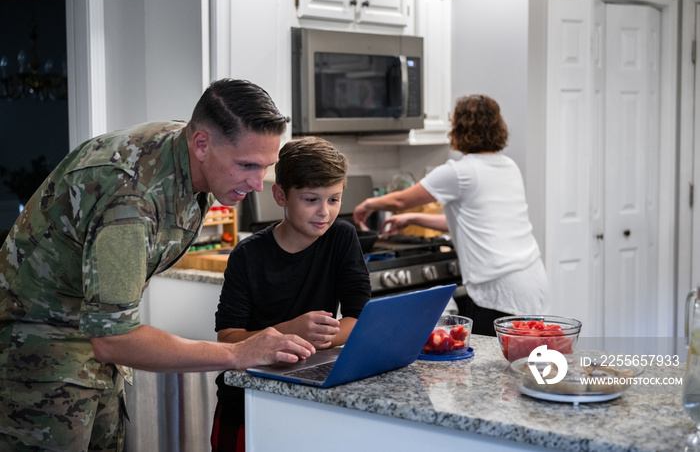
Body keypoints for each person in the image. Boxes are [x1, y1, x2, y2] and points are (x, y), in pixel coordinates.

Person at [0, 79, 316, 451]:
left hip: (91, 335)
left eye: (265, 166)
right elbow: (113, 338)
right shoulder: (131, 201)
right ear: (201, 144)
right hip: (37, 347)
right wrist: (236, 353)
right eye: (246, 165)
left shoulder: (186, 153)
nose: (258, 183)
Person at [211, 136, 371, 451]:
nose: (324, 213)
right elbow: (228, 340)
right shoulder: (248, 255)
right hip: (246, 401)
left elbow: (362, 320)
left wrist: (316, 336)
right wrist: (292, 331)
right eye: (311, 199)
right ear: (280, 195)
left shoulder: (341, 237)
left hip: (308, 396)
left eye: (334, 199)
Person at [353, 94, 549, 336]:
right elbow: (471, 224)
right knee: (524, 358)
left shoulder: (459, 172)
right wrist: (413, 218)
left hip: (498, 290)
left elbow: (401, 199)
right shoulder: (508, 166)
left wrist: (367, 204)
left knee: (495, 363)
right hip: (531, 278)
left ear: (460, 127)